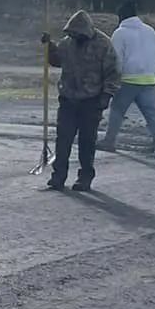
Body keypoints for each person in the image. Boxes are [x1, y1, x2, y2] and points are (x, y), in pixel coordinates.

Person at [41, 10, 119, 191]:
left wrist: (106, 96)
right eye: (72, 34)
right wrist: (49, 47)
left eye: (77, 34)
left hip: (91, 101)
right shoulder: (67, 44)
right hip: (68, 99)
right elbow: (56, 61)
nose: (74, 36)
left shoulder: (103, 44)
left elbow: (113, 73)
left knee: (87, 141)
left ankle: (85, 177)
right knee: (63, 140)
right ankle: (58, 176)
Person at [99, 0, 155, 158]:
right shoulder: (150, 31)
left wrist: (113, 80)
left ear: (121, 16)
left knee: (117, 111)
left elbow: (116, 59)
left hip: (127, 80)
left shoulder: (120, 33)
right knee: (152, 115)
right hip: (149, 80)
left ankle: (109, 142)